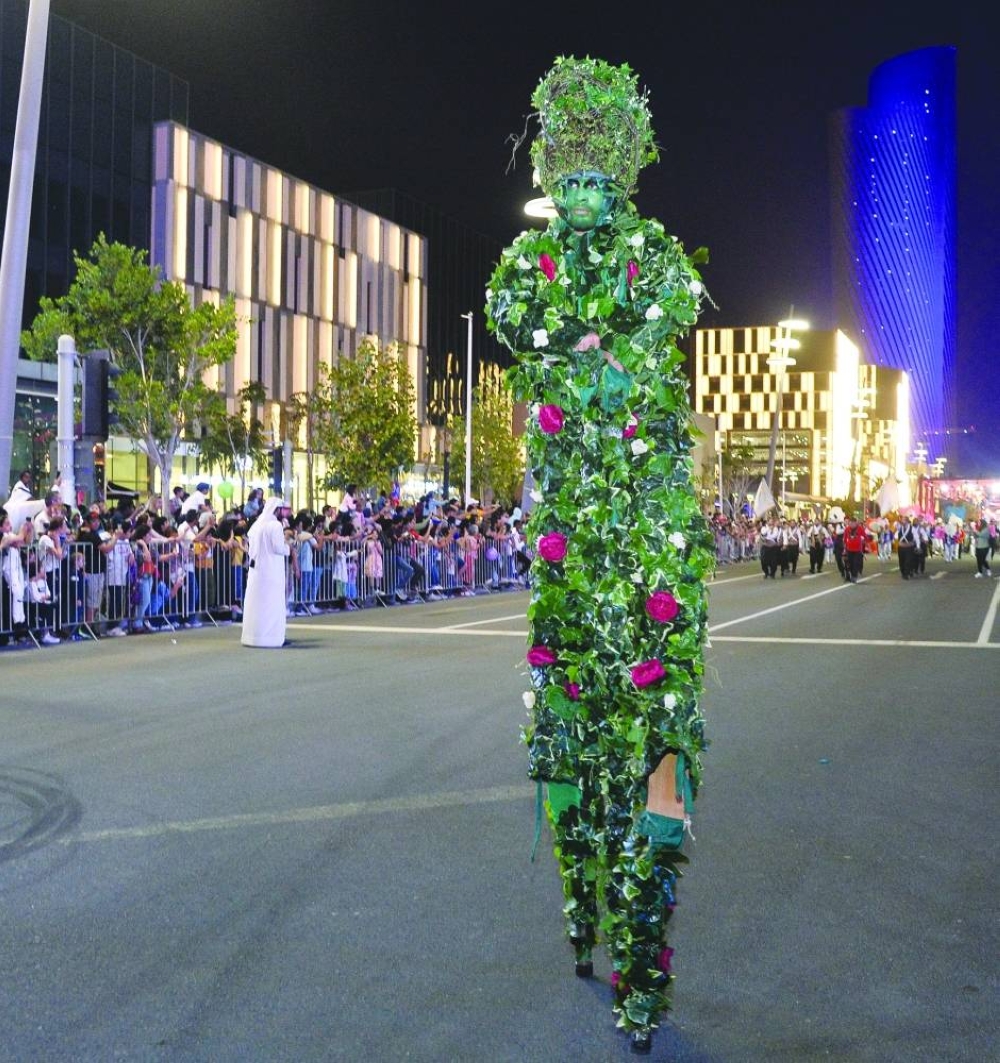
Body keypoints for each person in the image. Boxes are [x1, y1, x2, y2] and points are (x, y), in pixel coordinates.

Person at [487, 57, 713, 1053]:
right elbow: (509, 312)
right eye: (565, 178)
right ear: (552, 174)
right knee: (567, 759)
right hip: (569, 560)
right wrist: (574, 339)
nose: (579, 196)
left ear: (620, 175)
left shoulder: (654, 258)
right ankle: (584, 919)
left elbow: (664, 316)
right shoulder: (527, 265)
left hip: (645, 537)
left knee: (657, 739)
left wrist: (593, 351)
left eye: (595, 179)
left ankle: (643, 975)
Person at [241, 497, 291, 647]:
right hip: (271, 570)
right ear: (277, 509)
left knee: (257, 604)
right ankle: (271, 637)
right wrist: (289, 546)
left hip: (257, 571)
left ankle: (253, 636)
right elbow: (278, 548)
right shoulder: (274, 525)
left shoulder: (258, 525)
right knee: (271, 603)